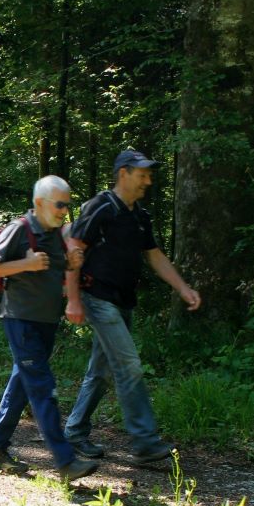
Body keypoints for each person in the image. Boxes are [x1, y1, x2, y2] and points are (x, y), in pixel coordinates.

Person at [62, 148, 201, 463]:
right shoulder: (100, 207)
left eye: (149, 175)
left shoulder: (140, 216)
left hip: (123, 301)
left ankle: (75, 431)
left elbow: (154, 255)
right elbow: (73, 250)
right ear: (123, 174)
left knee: (101, 371)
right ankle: (145, 442)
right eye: (142, 175)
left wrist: (182, 288)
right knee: (129, 365)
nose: (148, 181)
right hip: (97, 297)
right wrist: (73, 299)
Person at [0, 176, 98, 482]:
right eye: (60, 205)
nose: (64, 211)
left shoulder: (54, 234)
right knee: (43, 387)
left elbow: (54, 271)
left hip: (46, 321)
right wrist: (25, 264)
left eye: (67, 205)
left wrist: (70, 263)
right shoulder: (19, 229)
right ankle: (65, 461)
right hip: (21, 320)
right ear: (40, 202)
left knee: (22, 386)